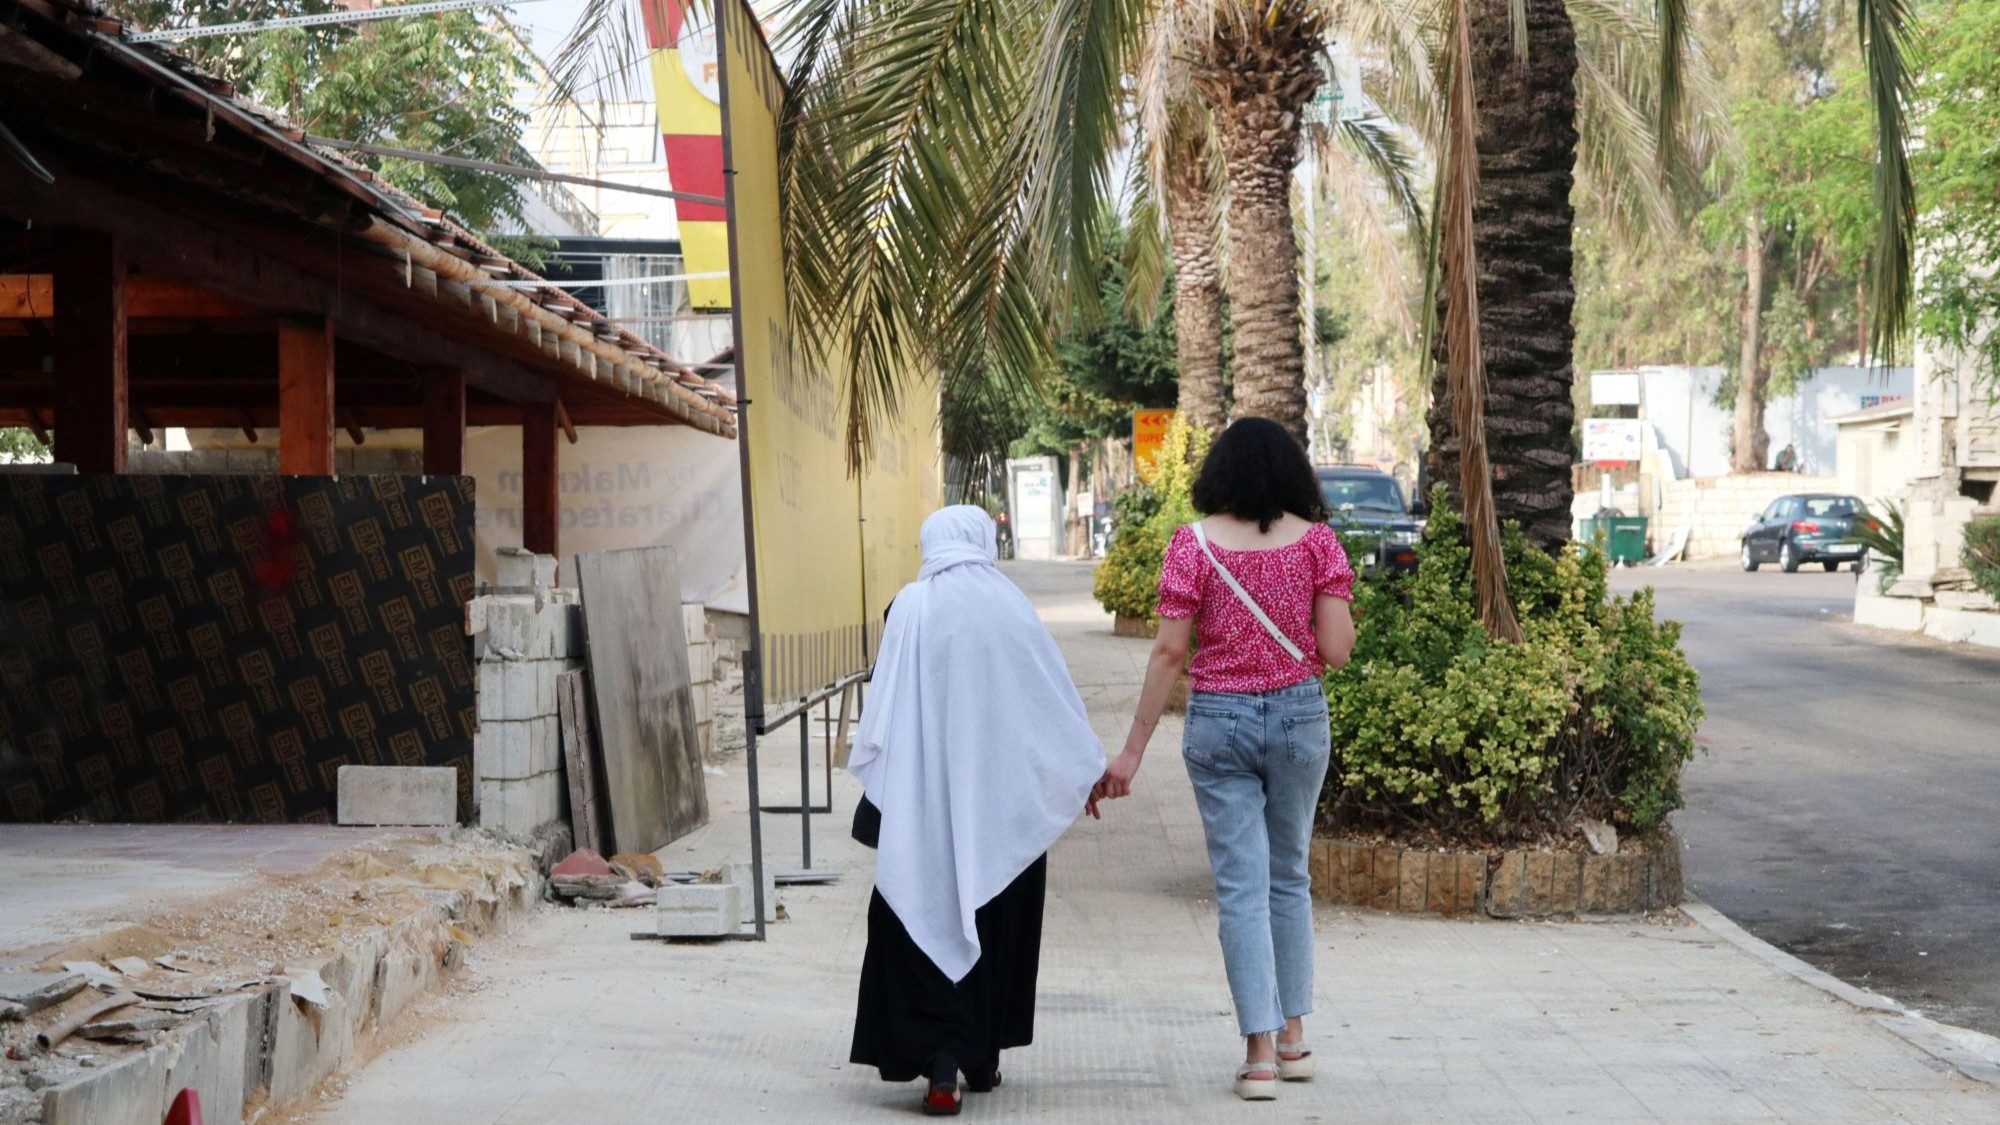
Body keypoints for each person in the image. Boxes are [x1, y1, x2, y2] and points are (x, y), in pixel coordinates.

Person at [1094, 417, 1357, 1102]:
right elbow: (1336, 650)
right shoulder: (1319, 544)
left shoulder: (1193, 545)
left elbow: (1169, 652)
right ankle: (1296, 1036)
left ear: (1220, 474)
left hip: (1221, 723)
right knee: (1289, 876)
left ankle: (1259, 1055)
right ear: (1292, 474)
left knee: (1242, 887)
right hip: (1300, 716)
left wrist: (1131, 749)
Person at [847, 506, 1106, 1116]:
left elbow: (883, 709)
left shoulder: (906, 608)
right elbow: (1051, 702)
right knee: (996, 919)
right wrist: (1086, 768)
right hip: (999, 807)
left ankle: (939, 1065)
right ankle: (981, 1055)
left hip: (922, 806)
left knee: (919, 915)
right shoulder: (1012, 607)